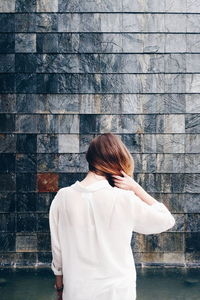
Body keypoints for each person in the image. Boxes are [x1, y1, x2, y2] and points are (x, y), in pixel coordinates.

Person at [49, 132, 175, 300]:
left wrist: (59, 285)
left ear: (90, 159)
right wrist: (137, 189)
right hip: (118, 291)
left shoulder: (63, 197)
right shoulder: (124, 198)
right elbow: (166, 220)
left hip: (77, 290)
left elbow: (57, 250)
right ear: (119, 161)